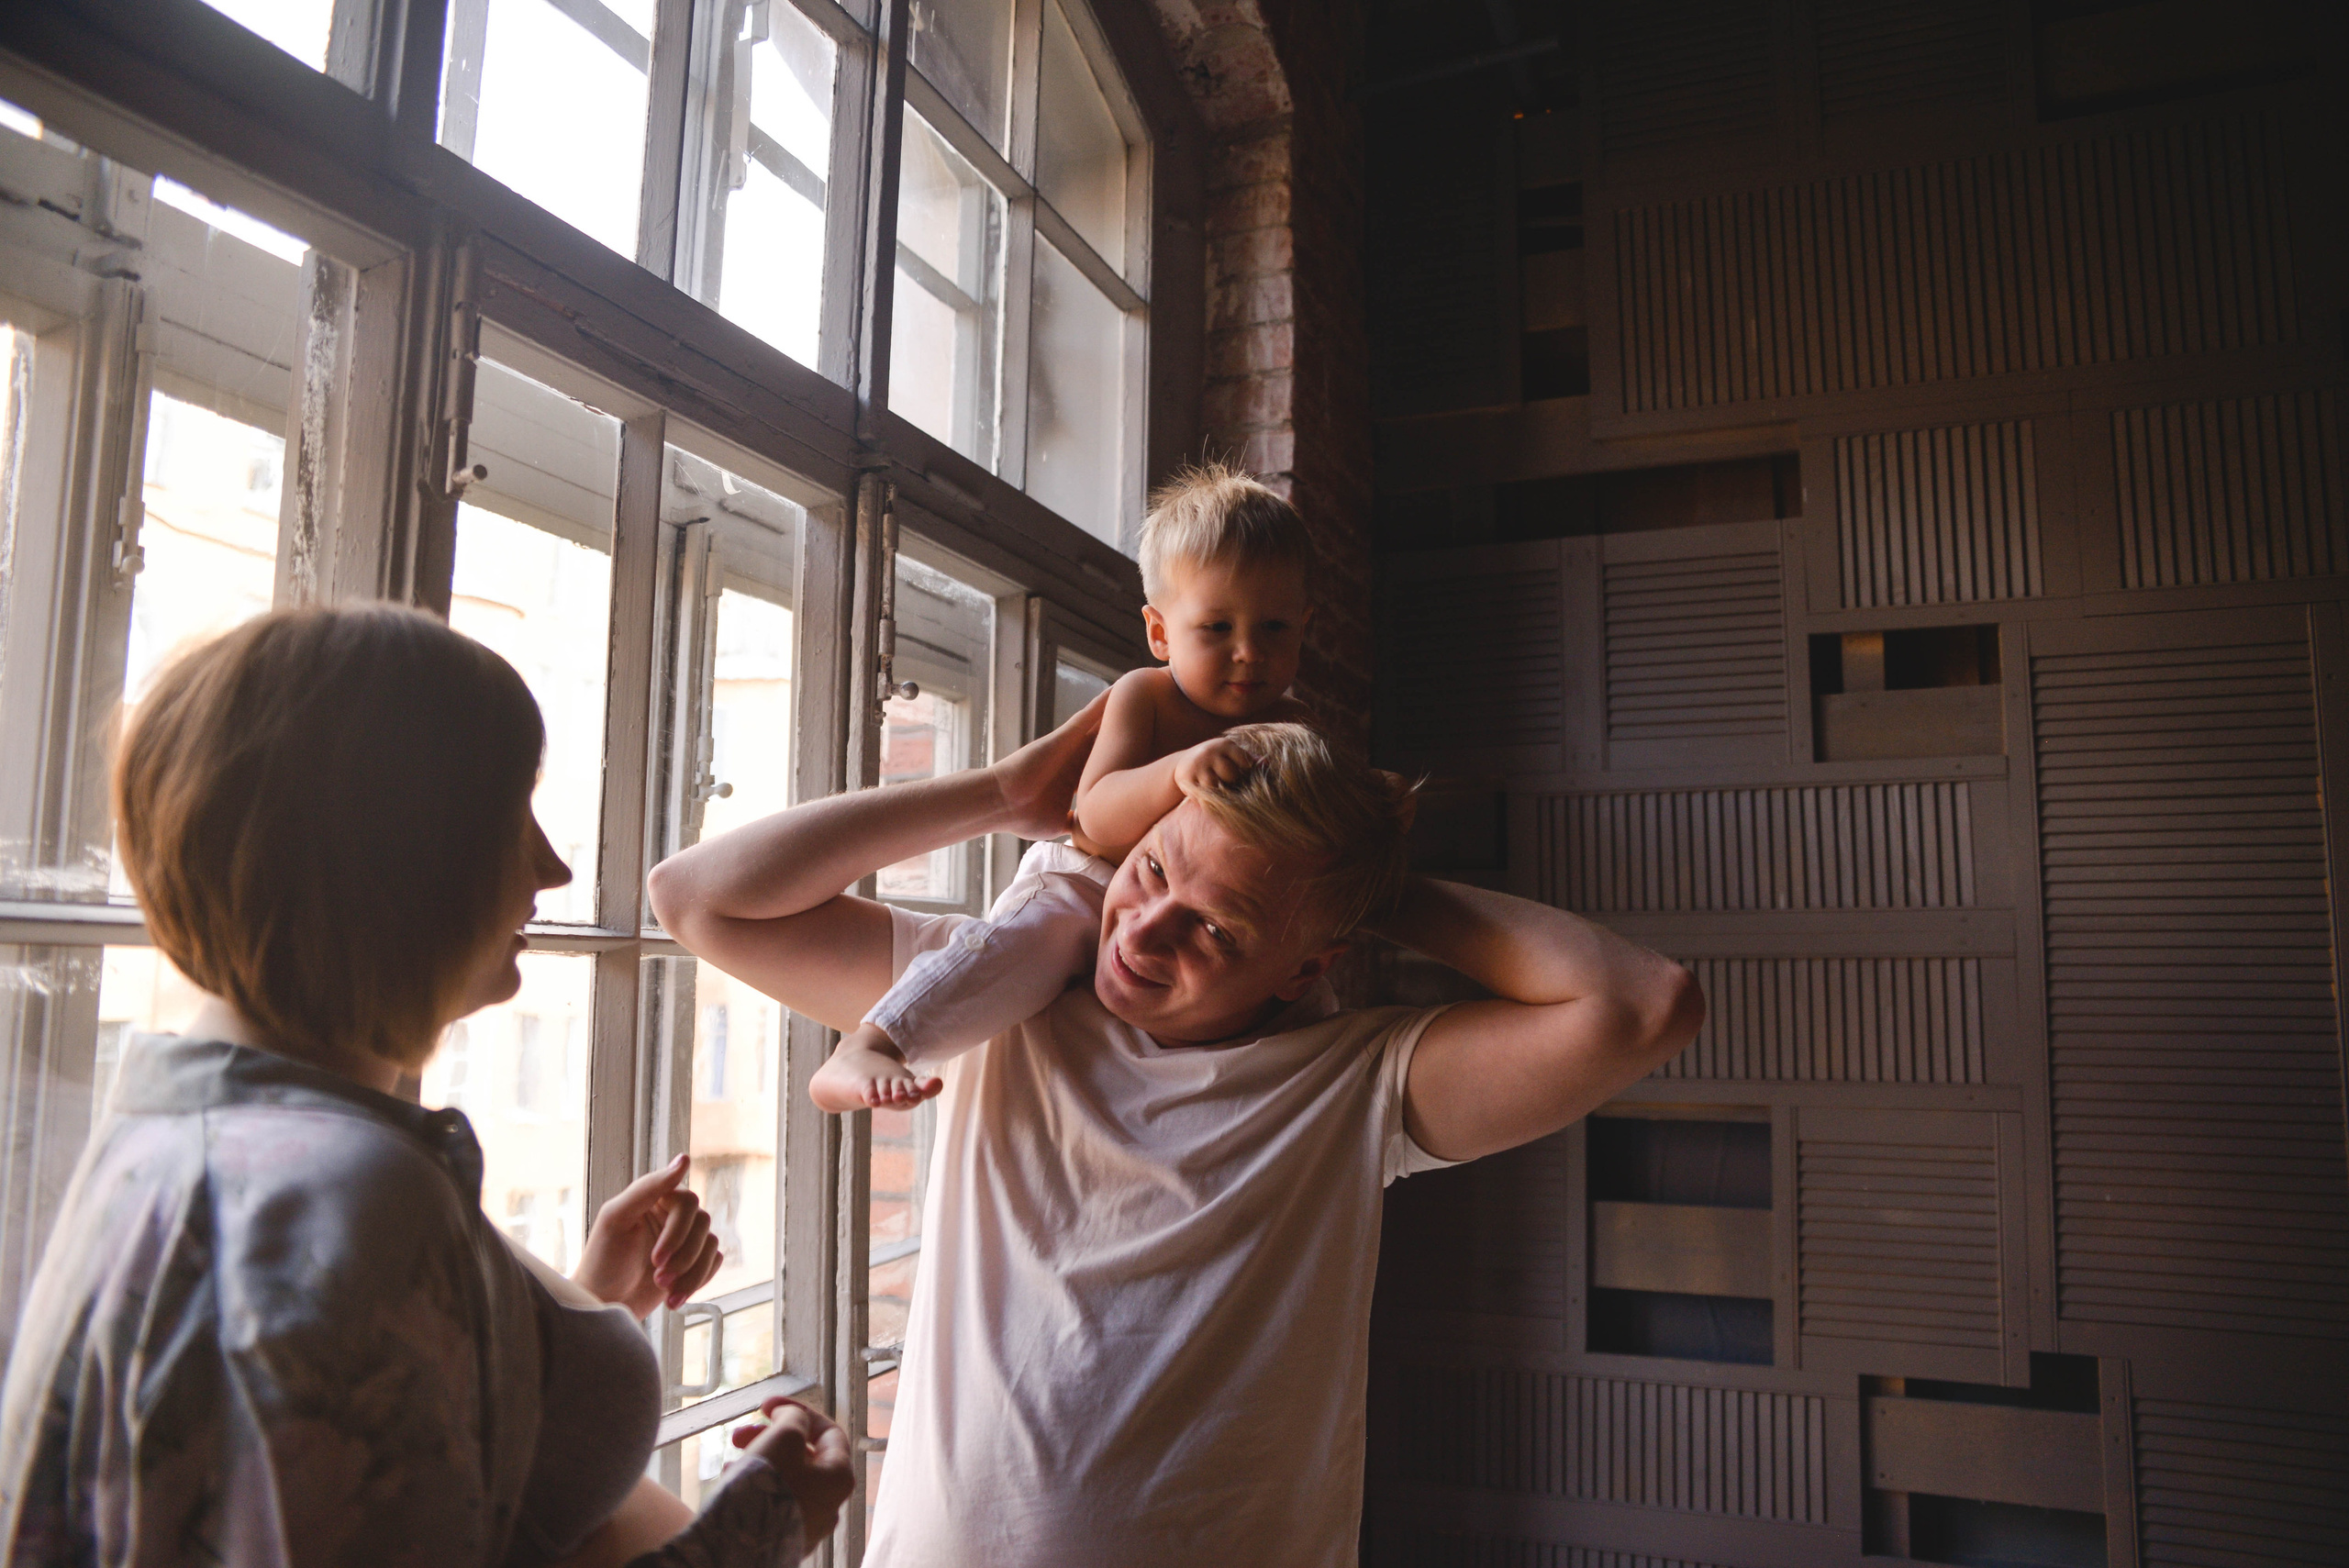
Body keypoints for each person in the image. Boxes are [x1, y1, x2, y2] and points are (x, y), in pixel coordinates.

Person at [648, 703, 1705, 1568]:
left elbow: (1643, 1004)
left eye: (1217, 926)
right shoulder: (1000, 992)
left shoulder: (1356, 1084)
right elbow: (699, 900)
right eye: (1151, 871)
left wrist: (1363, 885)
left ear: (1305, 967)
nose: (1145, 927)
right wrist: (1002, 797)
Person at [0, 606, 855, 1567]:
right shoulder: (345, 1196)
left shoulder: (178, 1125)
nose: (554, 866)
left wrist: (554, 1312)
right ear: (402, 847)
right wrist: (758, 1526)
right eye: (511, 815)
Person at [811, 462, 1320, 1112]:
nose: (1248, 651)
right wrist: (1175, 771)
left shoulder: (1292, 730)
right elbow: (1093, 819)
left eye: (1273, 628)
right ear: (1160, 632)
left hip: (1195, 925)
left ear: (1304, 627)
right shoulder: (1148, 697)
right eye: (1217, 628)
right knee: (1008, 949)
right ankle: (877, 1041)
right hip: (1087, 883)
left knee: (1301, 995)